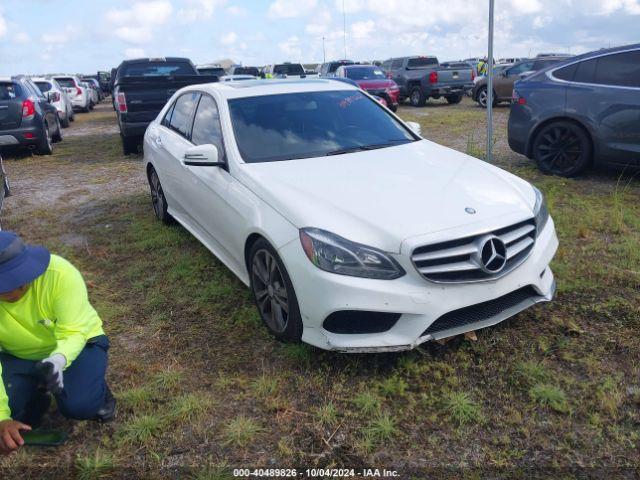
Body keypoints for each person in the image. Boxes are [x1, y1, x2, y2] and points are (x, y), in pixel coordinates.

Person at [0, 232, 115, 454]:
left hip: (77, 345)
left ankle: (98, 393)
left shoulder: (60, 273)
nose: (14, 289)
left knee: (80, 405)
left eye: (19, 280)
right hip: (17, 354)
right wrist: (2, 416)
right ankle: (35, 396)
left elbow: (73, 331)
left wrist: (58, 359)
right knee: (9, 412)